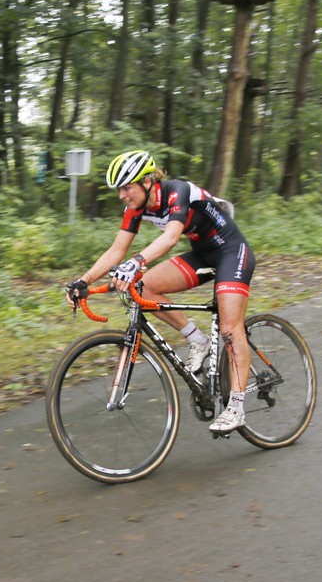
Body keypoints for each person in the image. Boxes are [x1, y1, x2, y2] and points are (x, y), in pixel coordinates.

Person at [63, 150, 256, 433]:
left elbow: (171, 236)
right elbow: (117, 249)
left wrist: (136, 262)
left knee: (229, 329)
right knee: (145, 287)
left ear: (147, 181)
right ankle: (198, 341)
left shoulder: (178, 191)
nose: (122, 195)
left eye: (126, 187)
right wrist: (83, 281)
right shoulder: (136, 207)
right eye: (119, 189)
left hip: (231, 250)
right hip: (202, 253)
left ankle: (236, 408)